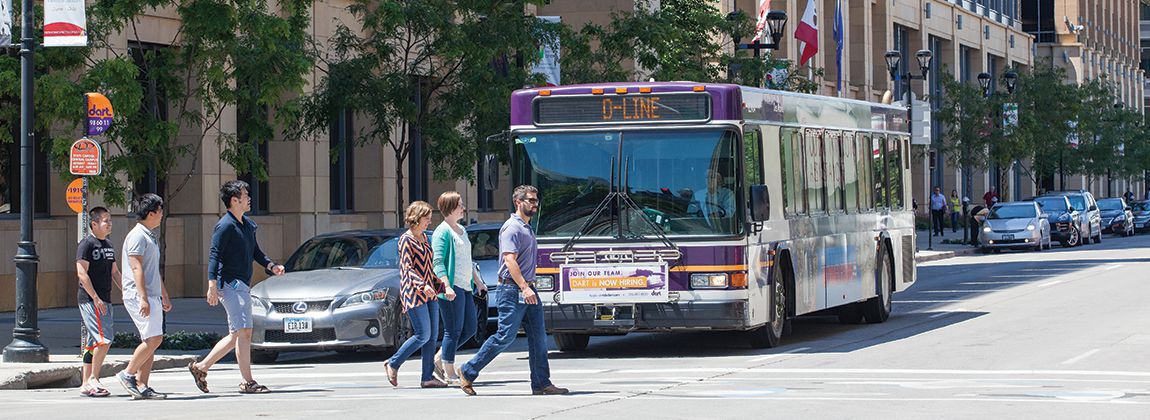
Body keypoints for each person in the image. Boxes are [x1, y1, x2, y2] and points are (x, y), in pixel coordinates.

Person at [457, 185, 568, 396]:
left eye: (536, 200)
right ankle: (468, 370)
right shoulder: (512, 228)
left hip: (527, 290)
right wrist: (524, 287)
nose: (535, 204)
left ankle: (541, 383)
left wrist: (529, 287)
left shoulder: (526, 227)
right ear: (518, 202)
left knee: (539, 338)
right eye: (530, 200)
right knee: (505, 336)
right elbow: (509, 260)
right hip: (512, 290)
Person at [187, 180, 285, 394]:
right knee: (244, 332)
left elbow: (255, 251)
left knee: (236, 334)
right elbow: (215, 255)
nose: (249, 197)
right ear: (234, 200)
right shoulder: (225, 226)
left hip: (242, 284)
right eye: (245, 195)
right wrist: (211, 284)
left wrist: (271, 265)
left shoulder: (248, 225)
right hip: (229, 284)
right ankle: (248, 381)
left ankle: (201, 367)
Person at [384, 201, 447, 388]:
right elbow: (407, 269)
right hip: (414, 293)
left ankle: (427, 377)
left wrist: (442, 287)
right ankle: (393, 362)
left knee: (432, 336)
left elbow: (427, 268)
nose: (429, 222)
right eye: (426, 219)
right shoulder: (406, 240)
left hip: (429, 293)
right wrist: (422, 286)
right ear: (416, 219)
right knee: (422, 334)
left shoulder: (424, 239)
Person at [115, 193, 172, 400]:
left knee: (152, 339)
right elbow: (136, 267)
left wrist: (164, 295)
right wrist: (143, 298)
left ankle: (142, 385)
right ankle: (127, 374)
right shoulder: (137, 235)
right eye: (160, 210)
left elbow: (152, 270)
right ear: (150, 213)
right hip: (139, 295)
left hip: (152, 294)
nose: (162, 214)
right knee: (153, 338)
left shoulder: (148, 235)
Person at [431, 191, 487, 385]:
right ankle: (448, 371)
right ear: (450, 207)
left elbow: (467, 259)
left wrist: (478, 282)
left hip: (465, 286)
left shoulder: (462, 230)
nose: (463, 207)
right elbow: (437, 262)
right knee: (452, 330)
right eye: (460, 205)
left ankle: (439, 357)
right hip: (451, 287)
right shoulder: (442, 232)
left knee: (470, 328)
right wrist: (446, 285)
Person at [76, 207, 121, 398]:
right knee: (104, 339)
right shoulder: (86, 245)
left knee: (93, 342)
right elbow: (81, 273)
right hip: (91, 300)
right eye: (105, 221)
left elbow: (115, 273)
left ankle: (86, 383)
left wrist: (127, 292)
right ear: (94, 224)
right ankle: (95, 378)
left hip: (106, 299)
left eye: (110, 220)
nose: (109, 224)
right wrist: (95, 298)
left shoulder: (108, 245)